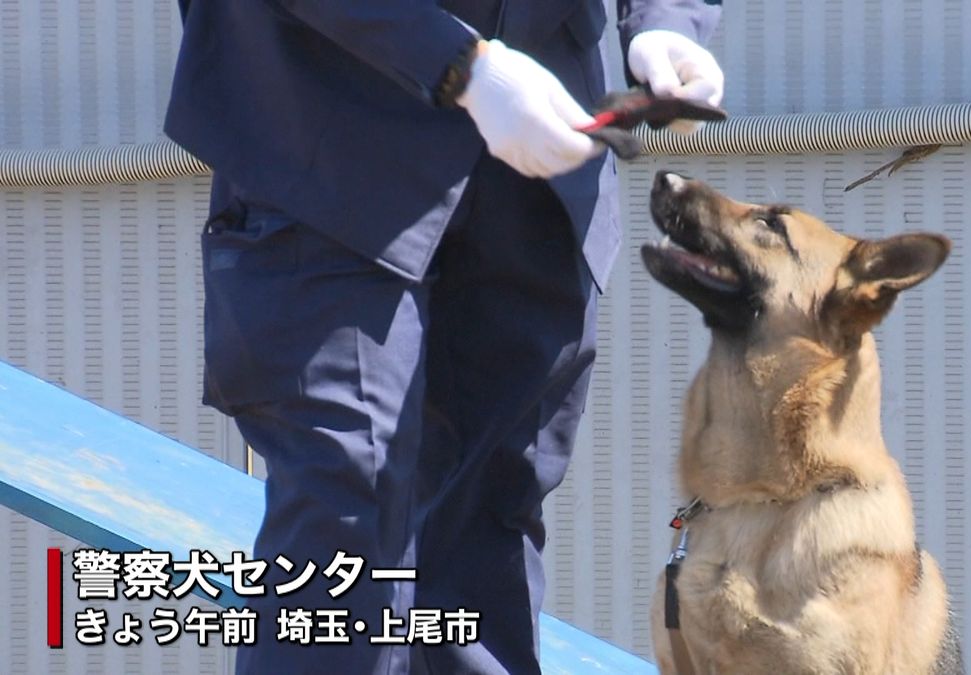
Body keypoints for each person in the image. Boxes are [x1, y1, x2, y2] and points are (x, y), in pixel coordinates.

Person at [165, 1, 724, 673]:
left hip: (540, 160)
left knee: (487, 531)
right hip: (324, 144)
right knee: (349, 519)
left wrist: (667, 22)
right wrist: (460, 64)